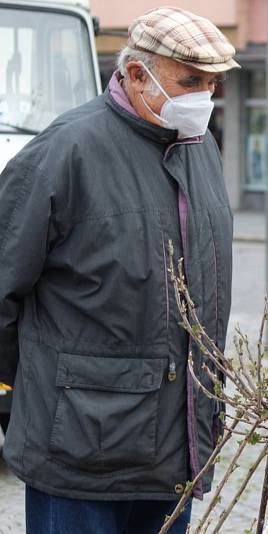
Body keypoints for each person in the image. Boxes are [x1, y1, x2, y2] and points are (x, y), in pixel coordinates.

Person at [0, 6, 238, 533]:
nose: (205, 97)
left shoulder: (202, 151)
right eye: (191, 81)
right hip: (80, 454)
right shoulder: (66, 150)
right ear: (136, 73)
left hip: (175, 453)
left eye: (213, 84)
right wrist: (45, 384)